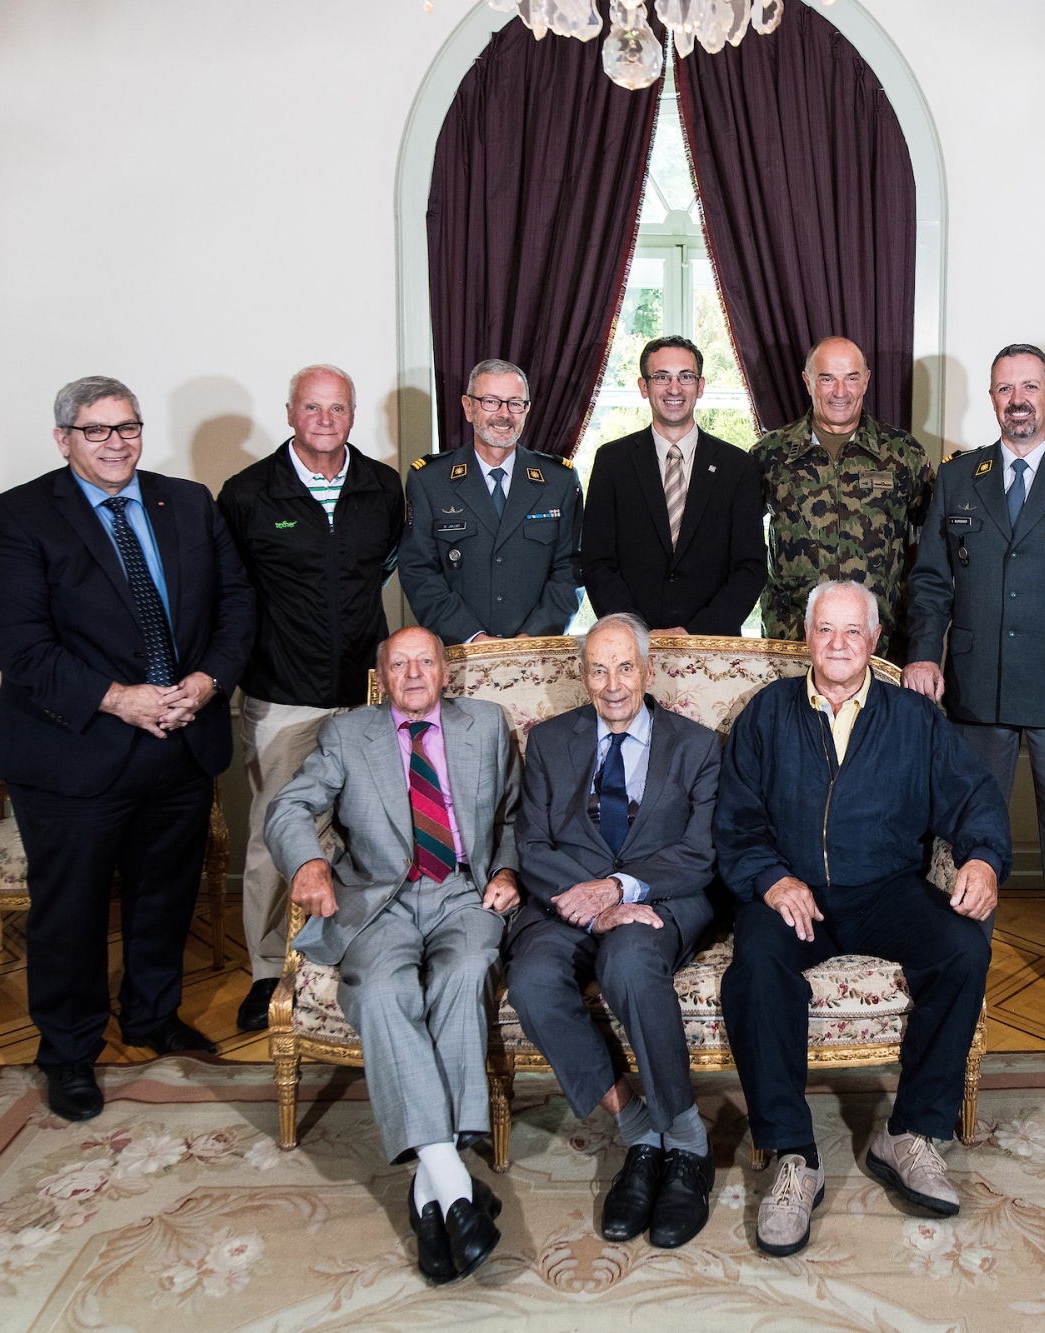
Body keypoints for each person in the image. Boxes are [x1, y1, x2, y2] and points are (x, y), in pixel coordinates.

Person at [0, 376, 255, 1122]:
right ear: (63, 437)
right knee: (71, 911)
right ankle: (67, 1051)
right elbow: (21, 645)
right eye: (96, 430)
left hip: (182, 736)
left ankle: (153, 1015)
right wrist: (118, 698)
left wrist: (206, 680)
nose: (115, 442)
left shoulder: (187, 501)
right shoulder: (19, 517)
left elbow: (237, 604)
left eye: (126, 426)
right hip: (78, 750)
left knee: (166, 892)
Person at [716, 580, 1011, 1258]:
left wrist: (985, 860)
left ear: (875, 642)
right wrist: (770, 876)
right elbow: (736, 817)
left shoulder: (915, 718)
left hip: (886, 890)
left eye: (854, 631)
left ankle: (908, 1133)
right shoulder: (767, 713)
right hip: (795, 894)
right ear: (806, 638)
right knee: (755, 965)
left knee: (963, 949)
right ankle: (793, 1154)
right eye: (826, 630)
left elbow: (973, 796)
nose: (839, 644)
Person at [265, 626, 522, 1284]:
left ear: (445, 671)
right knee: (381, 992)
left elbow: (517, 817)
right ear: (382, 677)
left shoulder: (489, 725)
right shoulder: (349, 735)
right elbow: (290, 805)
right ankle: (453, 1185)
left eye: (425, 662)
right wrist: (309, 864)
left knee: (466, 972)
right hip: (379, 899)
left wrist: (511, 872)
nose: (413, 674)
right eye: (399, 664)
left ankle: (430, 1187)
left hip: (464, 893)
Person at [905, 343, 1045, 1028]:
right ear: (992, 400)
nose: (1017, 399)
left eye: (1029, 387)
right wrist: (923, 654)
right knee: (975, 836)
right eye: (1004, 389)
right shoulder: (960, 477)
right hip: (976, 688)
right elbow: (932, 581)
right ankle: (969, 961)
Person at [506, 612, 723, 1248]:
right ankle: (637, 1130)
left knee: (628, 962)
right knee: (532, 979)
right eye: (598, 669)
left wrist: (621, 890)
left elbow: (699, 853)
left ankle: (685, 1141)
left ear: (649, 670)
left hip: (658, 902)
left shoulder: (698, 746)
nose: (612, 684)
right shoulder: (548, 741)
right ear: (582, 675)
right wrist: (590, 897)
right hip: (565, 903)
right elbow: (532, 843)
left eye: (625, 667)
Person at [217, 364, 405, 1031]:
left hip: (365, 693)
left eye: (339, 409)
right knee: (277, 834)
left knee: (368, 830)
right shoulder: (246, 495)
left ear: (353, 416)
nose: (326, 420)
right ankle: (268, 970)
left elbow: (383, 571)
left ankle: (352, 948)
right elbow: (230, 595)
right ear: (291, 412)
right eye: (313, 408)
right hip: (281, 695)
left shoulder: (383, 488)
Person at [754, 337, 933, 660]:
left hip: (880, 643)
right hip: (792, 642)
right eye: (827, 378)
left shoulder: (903, 454)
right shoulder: (770, 454)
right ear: (808, 381)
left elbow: (933, 544)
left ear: (866, 380)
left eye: (851, 377)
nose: (840, 391)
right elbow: (737, 545)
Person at [580, 336, 766, 635]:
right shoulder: (611, 462)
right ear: (644, 387)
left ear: (700, 386)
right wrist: (636, 630)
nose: (674, 388)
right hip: (631, 643)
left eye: (686, 377)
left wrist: (696, 632)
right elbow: (596, 562)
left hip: (711, 644)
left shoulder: (738, 467)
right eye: (661, 377)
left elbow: (750, 567)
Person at [399, 358, 582, 644]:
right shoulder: (429, 480)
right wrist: (473, 637)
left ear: (527, 410)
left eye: (514, 403)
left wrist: (531, 638)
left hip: (536, 655)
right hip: (459, 653)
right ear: (468, 407)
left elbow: (571, 570)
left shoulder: (559, 480)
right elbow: (419, 571)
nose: (504, 414)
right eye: (491, 402)